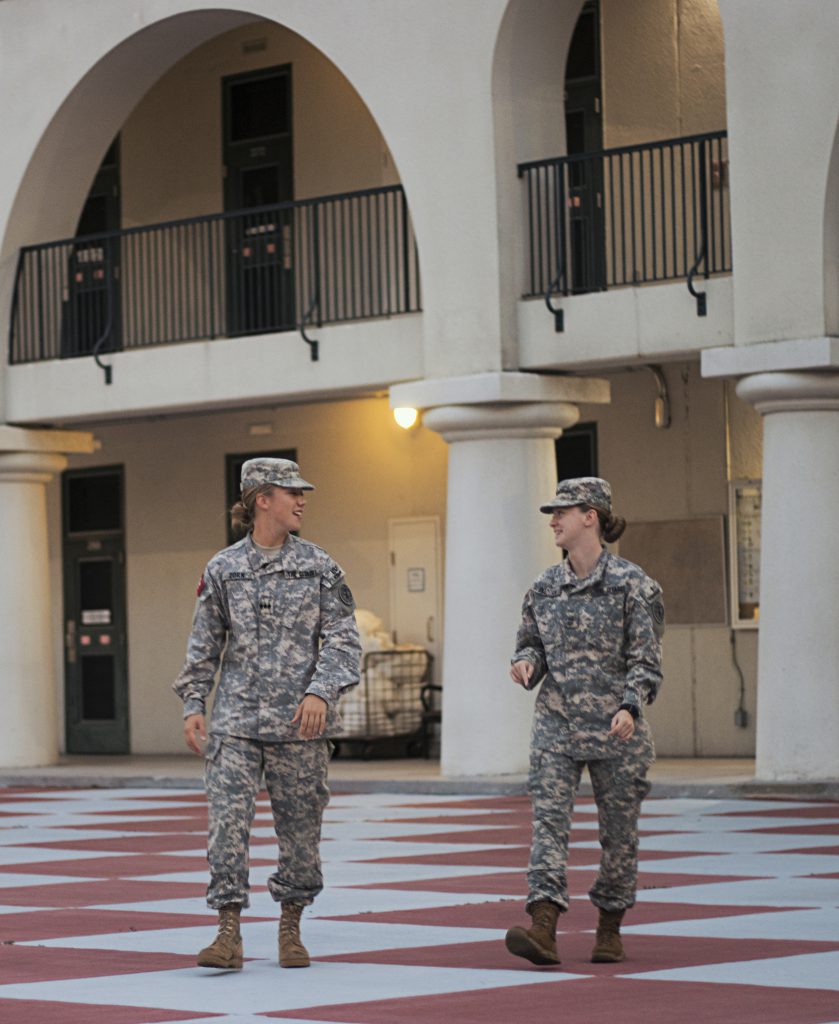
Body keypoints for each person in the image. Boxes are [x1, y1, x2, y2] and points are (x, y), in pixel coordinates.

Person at [173, 457, 361, 971]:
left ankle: (291, 928)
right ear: (262, 499)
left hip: (300, 728)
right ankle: (227, 933)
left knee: (301, 833)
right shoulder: (223, 568)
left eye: (302, 492)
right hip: (235, 724)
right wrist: (194, 703)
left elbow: (345, 640)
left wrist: (321, 692)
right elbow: (204, 644)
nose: (301, 500)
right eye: (290, 492)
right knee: (226, 827)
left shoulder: (319, 566)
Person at [504, 476, 664, 966]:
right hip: (557, 723)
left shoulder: (634, 585)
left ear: (590, 516)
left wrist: (629, 706)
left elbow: (646, 662)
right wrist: (526, 662)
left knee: (619, 834)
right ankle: (544, 925)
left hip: (618, 728)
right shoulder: (544, 587)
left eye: (563, 512)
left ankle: (609, 926)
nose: (553, 521)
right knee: (548, 825)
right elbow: (529, 640)